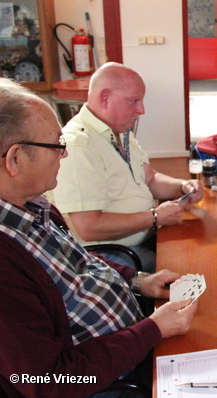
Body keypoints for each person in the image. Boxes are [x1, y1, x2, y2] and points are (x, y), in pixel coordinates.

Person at [0, 78, 198, 397]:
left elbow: (80, 261)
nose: (63, 155)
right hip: (112, 378)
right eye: (55, 146)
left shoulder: (34, 206)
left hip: (133, 336)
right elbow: (47, 384)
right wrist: (153, 329)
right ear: (15, 160)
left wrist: (139, 281)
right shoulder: (6, 267)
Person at [50, 62, 204, 272]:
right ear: (105, 98)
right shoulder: (78, 145)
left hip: (142, 236)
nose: (141, 110)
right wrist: (155, 216)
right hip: (113, 253)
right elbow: (88, 228)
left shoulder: (118, 131)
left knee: (204, 245)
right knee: (192, 268)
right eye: (134, 101)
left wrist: (182, 186)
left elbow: (148, 178)